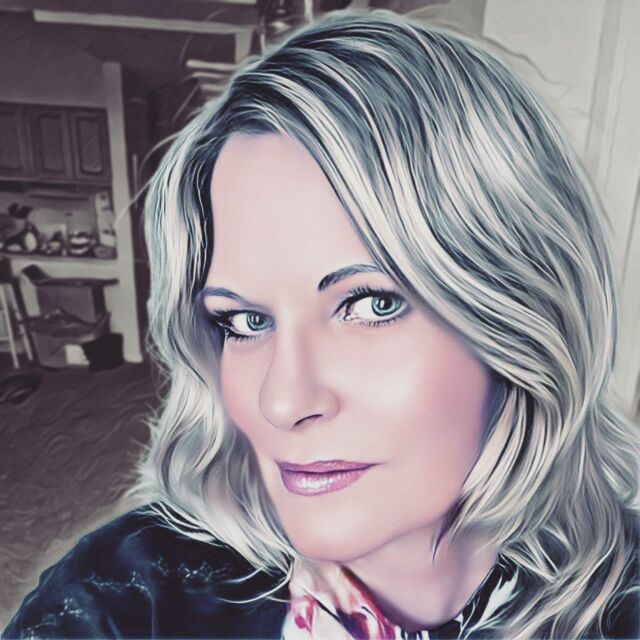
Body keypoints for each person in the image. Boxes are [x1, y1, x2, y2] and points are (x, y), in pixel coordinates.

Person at [4, 9, 638, 640]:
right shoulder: (127, 601)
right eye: (244, 321)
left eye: (371, 304)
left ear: (522, 314)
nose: (281, 401)